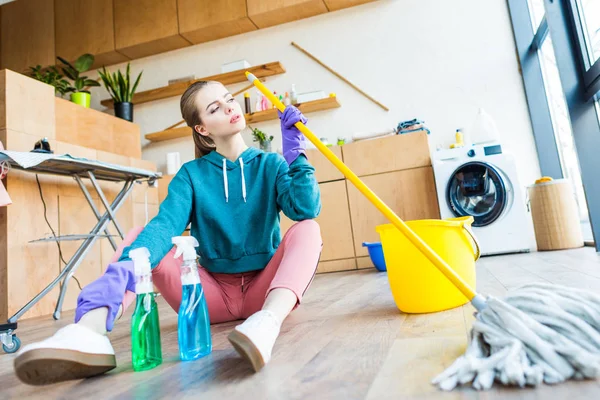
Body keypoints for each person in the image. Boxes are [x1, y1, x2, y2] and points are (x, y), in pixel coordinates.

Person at [13, 80, 323, 386]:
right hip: (206, 298)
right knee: (139, 238)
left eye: (229, 99)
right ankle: (89, 330)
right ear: (202, 129)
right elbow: (165, 225)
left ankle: (267, 323)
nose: (229, 106)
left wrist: (296, 155)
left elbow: (304, 209)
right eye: (215, 107)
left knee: (308, 229)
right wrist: (126, 267)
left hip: (263, 292)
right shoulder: (191, 174)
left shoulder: (271, 165)